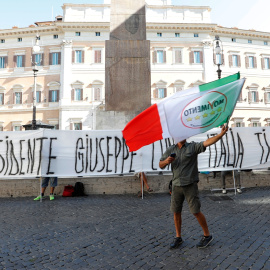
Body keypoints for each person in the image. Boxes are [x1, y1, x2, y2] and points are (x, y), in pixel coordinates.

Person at [159, 125, 228, 249]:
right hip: (176, 186)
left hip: (190, 185)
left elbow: (206, 143)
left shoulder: (192, 147)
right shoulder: (170, 150)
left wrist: (220, 135)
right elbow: (160, 164)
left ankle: (207, 235)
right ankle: (178, 237)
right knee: (176, 212)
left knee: (196, 211)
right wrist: (166, 161)